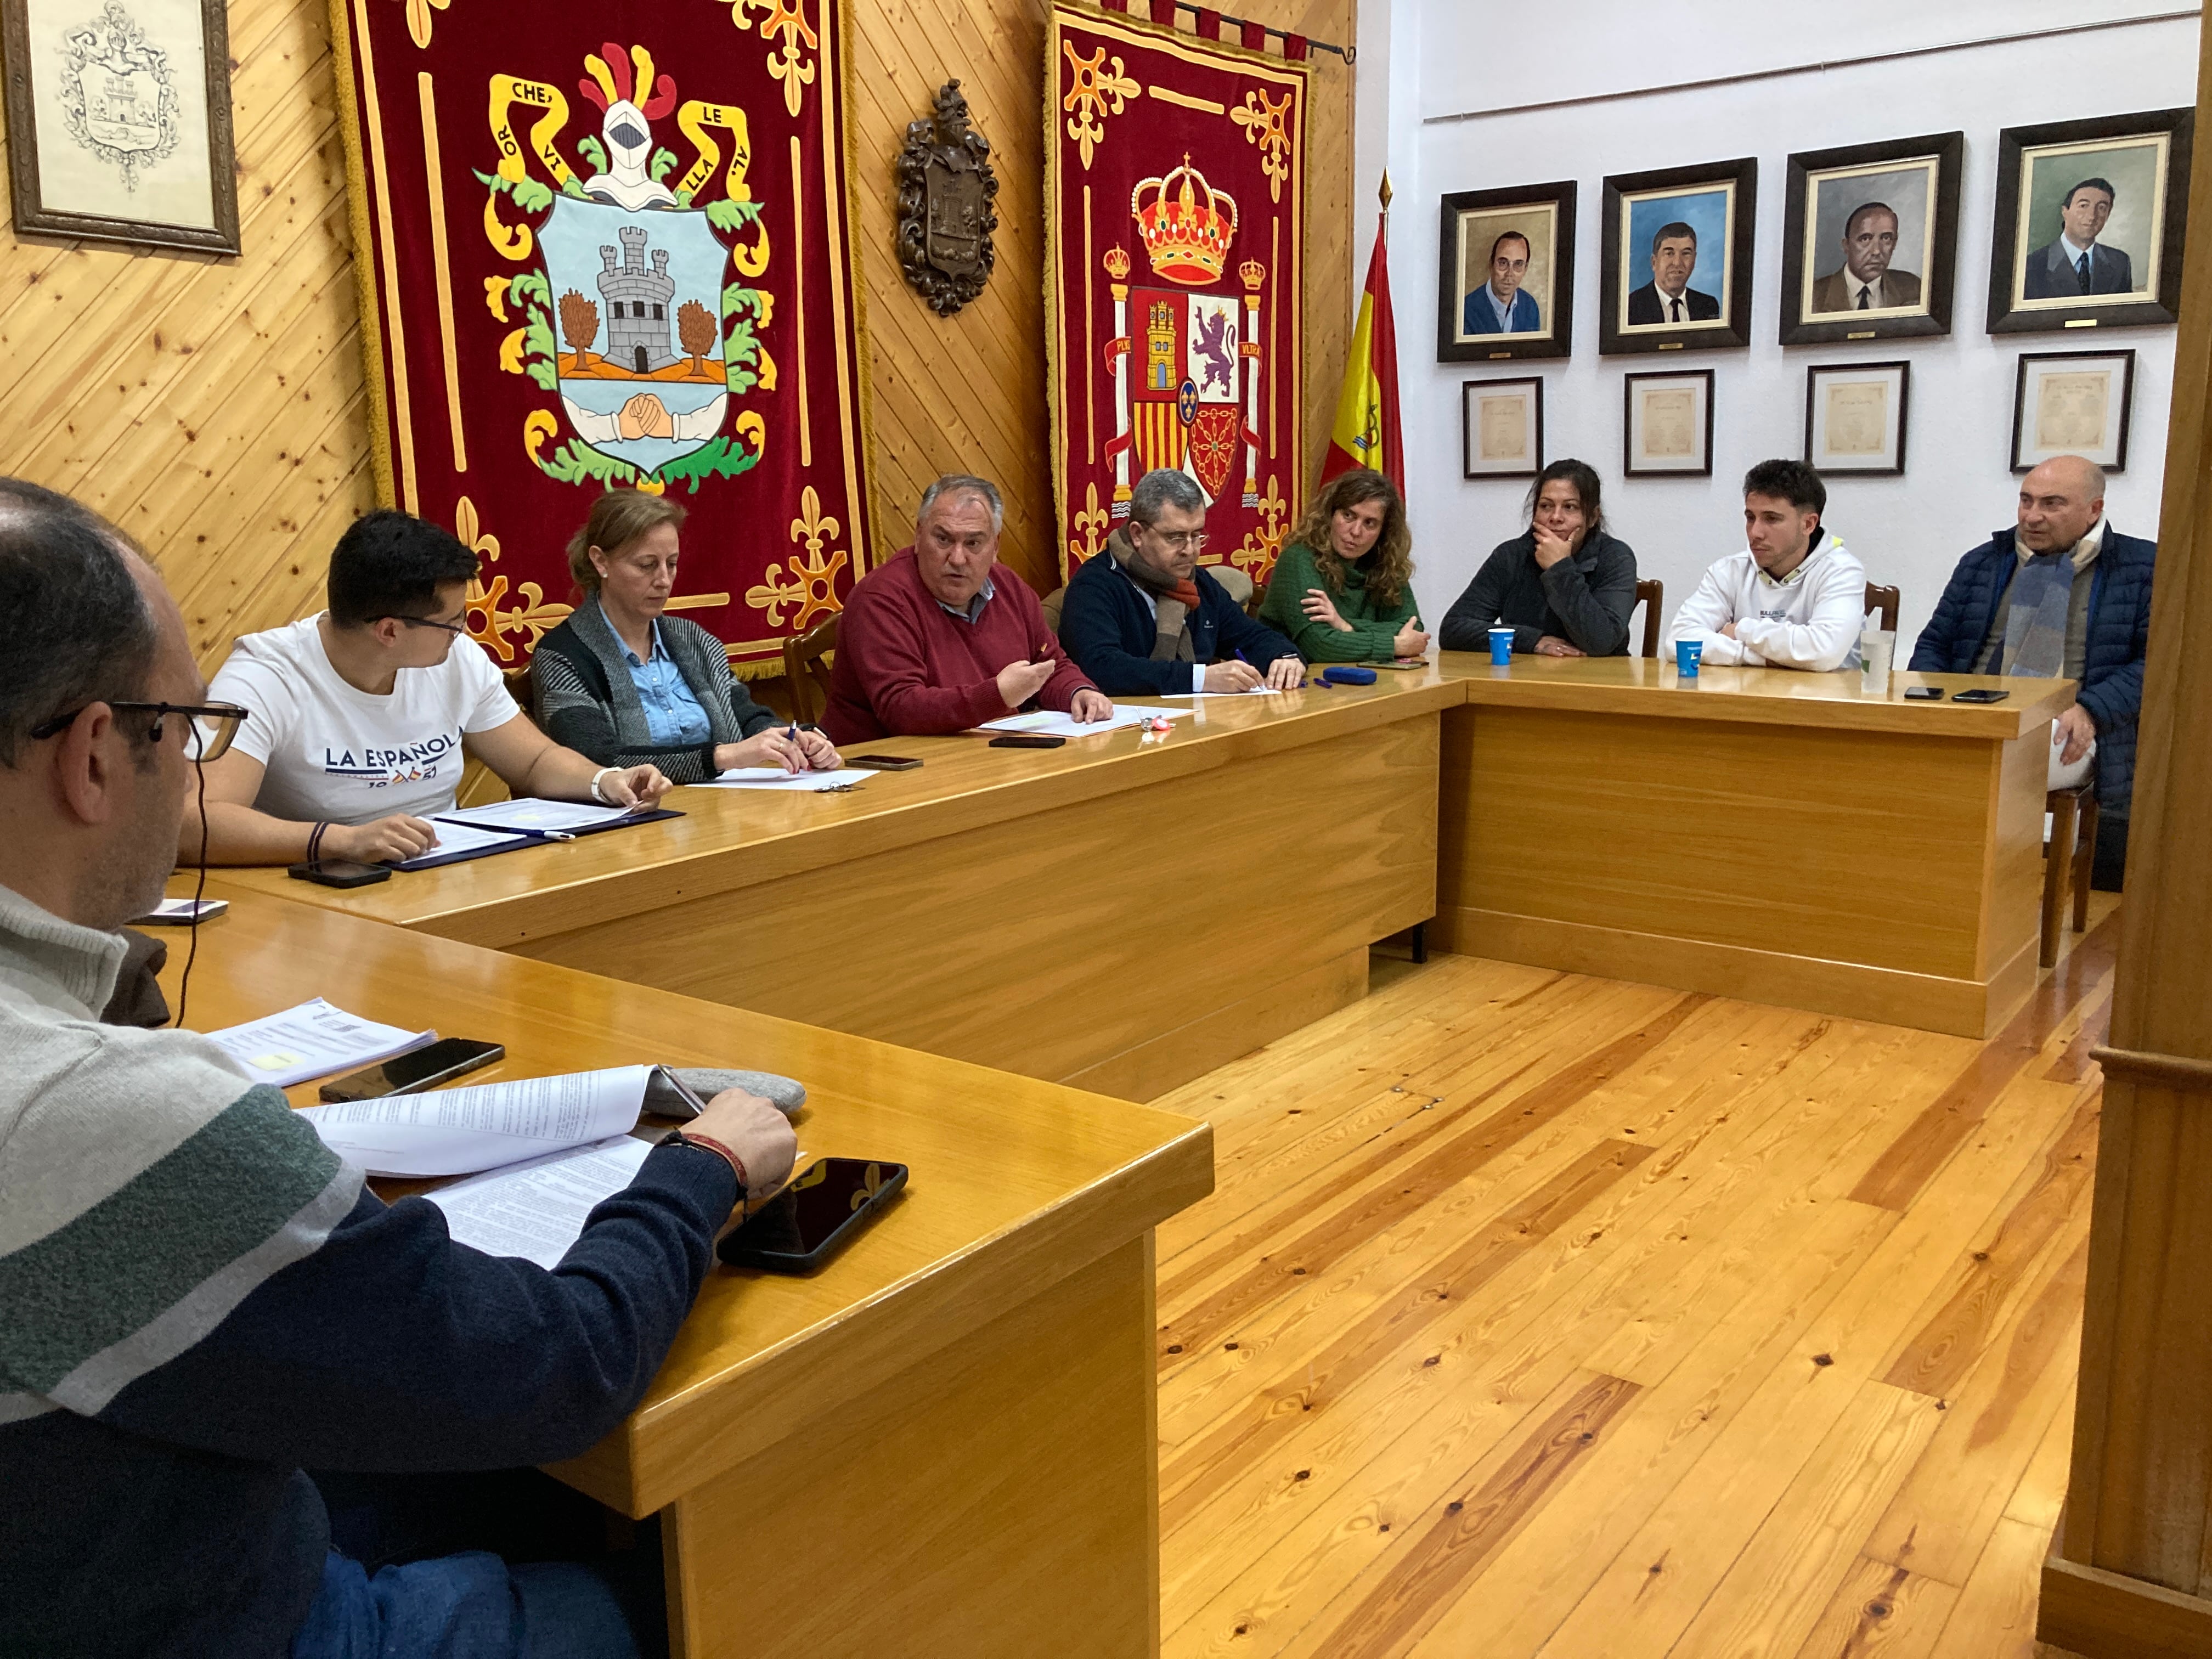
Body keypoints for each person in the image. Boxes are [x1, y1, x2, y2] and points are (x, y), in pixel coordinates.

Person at [0, 477, 798, 1656]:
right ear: (93, 759)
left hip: (99, 1521)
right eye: (177, 730)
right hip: (217, 1614)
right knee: (709, 1585)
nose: (186, 769)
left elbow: (532, 757)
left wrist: (605, 780)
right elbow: (553, 1366)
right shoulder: (92, 1110)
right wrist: (704, 1165)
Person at [188, 510, 672, 866]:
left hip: (443, 875)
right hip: (327, 893)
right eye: (451, 622)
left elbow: (533, 761)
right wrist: (341, 841)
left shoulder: (454, 658)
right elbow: (194, 823)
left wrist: (603, 781)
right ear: (391, 631)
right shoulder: (264, 676)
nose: (463, 633)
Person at [1909, 455, 2152, 889]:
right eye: (2026, 501)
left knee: (1991, 767)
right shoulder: (1984, 563)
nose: (2032, 517)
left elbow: (2153, 664)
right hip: (1972, 712)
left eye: (2052, 504)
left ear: (2094, 509)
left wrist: (2091, 710)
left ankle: (1982, 895)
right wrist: (1933, 703)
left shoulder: (2142, 567)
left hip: (2068, 726)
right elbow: (1935, 645)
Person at [533, 490, 838, 780]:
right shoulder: (562, 656)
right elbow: (596, 761)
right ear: (601, 561)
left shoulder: (695, 640)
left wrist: (792, 738)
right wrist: (723, 757)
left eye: (672, 564)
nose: (664, 580)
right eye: (647, 565)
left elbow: (746, 719)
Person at [822, 474, 1113, 742]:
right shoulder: (881, 598)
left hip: (983, 755)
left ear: (995, 546)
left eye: (973, 542)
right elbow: (902, 709)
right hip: (882, 766)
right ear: (919, 535)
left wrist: (1079, 691)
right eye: (944, 539)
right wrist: (998, 695)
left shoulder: (1009, 587)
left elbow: (1049, 666)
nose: (958, 558)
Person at [1059, 469, 1305, 695]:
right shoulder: (1095, 585)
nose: (1190, 550)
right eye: (1175, 537)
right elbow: (1102, 668)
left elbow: (1252, 636)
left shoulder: (1199, 583)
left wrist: (1285, 659)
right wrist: (1200, 679)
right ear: (1137, 534)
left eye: (1197, 535)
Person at [1667, 459, 1865, 672]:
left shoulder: (1841, 571)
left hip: (1824, 700)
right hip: (1745, 698)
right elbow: (1679, 641)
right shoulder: (1730, 570)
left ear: (1808, 524)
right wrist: (1753, 656)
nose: (1755, 533)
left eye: (1771, 519)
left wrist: (1742, 630)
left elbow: (1824, 651)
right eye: (1751, 518)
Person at [1438, 459, 1639, 657]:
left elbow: (1601, 642)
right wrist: (1531, 640)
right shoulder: (1512, 555)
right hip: (1528, 676)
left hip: (1600, 679)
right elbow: (1453, 630)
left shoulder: (1616, 558)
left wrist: (1560, 568)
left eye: (1569, 507)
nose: (1555, 517)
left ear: (1593, 517)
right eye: (1546, 506)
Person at [1259, 469, 1427, 664]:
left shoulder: (1386, 563)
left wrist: (1344, 626)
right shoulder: (1299, 559)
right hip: (1293, 681)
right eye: (1348, 516)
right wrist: (1395, 646)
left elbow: (1413, 628)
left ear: (1384, 531)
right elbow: (1319, 646)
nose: (1356, 531)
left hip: (1360, 678)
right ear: (1330, 514)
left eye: (1370, 523)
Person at [2023, 177, 2135, 299]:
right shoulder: (2033, 265)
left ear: (2108, 215)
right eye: (2083, 206)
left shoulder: (2120, 262)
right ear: (2065, 211)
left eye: (2102, 208)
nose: (2092, 216)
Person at [1810, 201, 1923, 312]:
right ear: (1846, 245)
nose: (1876, 251)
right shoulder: (1814, 295)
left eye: (1886, 238)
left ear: (1894, 243)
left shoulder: (1914, 288)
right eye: (1865, 239)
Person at [1626, 221, 1720, 325]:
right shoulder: (1630, 307)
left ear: (1694, 260)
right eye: (1669, 254)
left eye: (1686, 254)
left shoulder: (1708, 305)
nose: (1677, 263)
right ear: (1654, 262)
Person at [1463, 231, 1540, 335]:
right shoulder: (1466, 310)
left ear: (1525, 269)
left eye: (1518, 264)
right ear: (1491, 265)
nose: (1510, 274)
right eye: (1503, 263)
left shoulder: (1530, 307)